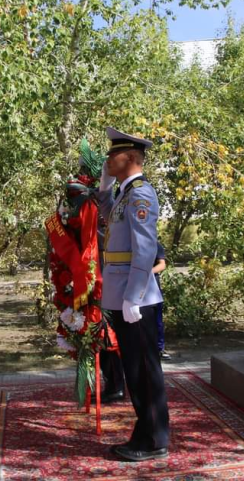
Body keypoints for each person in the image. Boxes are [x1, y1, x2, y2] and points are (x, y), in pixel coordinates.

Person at [97, 127, 169, 462]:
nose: (108, 159)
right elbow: (108, 220)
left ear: (130, 158)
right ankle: (147, 434)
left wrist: (134, 296)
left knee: (144, 372)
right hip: (124, 294)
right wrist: (103, 189)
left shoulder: (141, 194)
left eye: (113, 155)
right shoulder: (125, 194)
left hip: (136, 298)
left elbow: (145, 249)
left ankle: (153, 440)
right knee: (135, 371)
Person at [152, 242, 170, 360]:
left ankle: (159, 348)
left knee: (157, 319)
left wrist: (147, 273)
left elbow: (162, 264)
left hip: (153, 287)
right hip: (134, 286)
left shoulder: (155, 245)